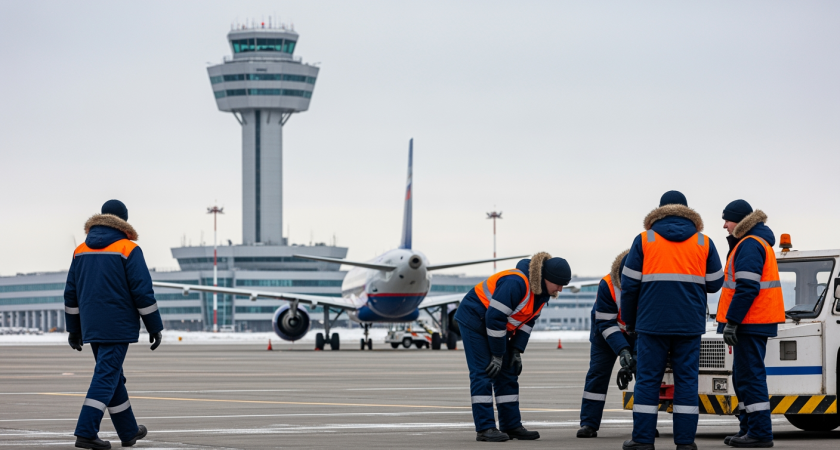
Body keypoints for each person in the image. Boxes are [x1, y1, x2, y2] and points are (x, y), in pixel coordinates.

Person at [620, 191, 724, 450]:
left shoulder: (645, 240)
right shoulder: (704, 242)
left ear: (660, 210)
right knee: (687, 381)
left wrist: (631, 323)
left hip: (651, 323)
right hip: (689, 324)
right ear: (687, 212)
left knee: (647, 380)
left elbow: (629, 286)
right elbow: (715, 283)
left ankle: (643, 441)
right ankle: (685, 443)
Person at [64, 200, 164, 450]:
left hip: (91, 326)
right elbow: (143, 292)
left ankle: (128, 431)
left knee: (112, 375)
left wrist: (74, 328)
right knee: (107, 375)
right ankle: (86, 432)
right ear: (124, 221)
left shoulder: (80, 250)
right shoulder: (128, 248)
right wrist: (154, 326)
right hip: (117, 325)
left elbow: (71, 294)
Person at [454, 252, 571, 442]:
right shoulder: (516, 282)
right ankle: (485, 428)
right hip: (474, 320)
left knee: (508, 372)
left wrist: (516, 351)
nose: (560, 289)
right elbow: (494, 318)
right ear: (546, 278)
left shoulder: (542, 294)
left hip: (496, 326)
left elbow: (526, 322)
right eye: (558, 284)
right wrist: (498, 355)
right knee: (484, 371)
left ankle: (511, 425)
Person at [715, 200, 784, 448]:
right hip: (752, 321)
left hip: (751, 321)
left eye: (728, 220)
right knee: (743, 376)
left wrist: (732, 321)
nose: (724, 225)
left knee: (751, 376)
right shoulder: (751, 242)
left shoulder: (750, 244)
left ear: (740, 220)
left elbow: (747, 288)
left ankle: (760, 433)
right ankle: (748, 429)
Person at [577, 250, 635, 438]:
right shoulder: (607, 285)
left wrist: (635, 355)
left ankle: (644, 422)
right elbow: (605, 323)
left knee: (645, 374)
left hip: (638, 333)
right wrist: (623, 350)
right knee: (597, 374)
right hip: (605, 333)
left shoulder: (650, 284)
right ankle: (589, 423)